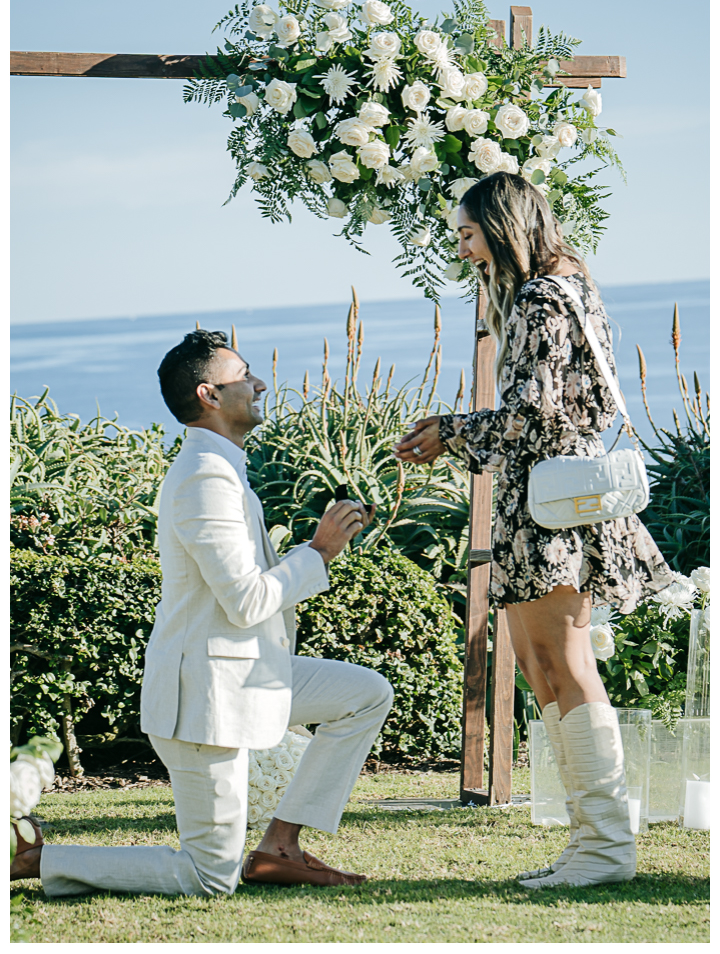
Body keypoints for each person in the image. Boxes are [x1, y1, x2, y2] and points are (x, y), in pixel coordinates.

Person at [12, 330, 393, 896]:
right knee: (209, 877)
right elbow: (245, 602)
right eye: (244, 375)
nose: (260, 383)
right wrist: (317, 552)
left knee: (365, 694)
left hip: (250, 675)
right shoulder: (203, 478)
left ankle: (279, 846)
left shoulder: (224, 469)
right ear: (209, 394)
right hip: (207, 700)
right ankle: (38, 860)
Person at [394, 172, 674, 889]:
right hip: (540, 505)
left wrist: (448, 430)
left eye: (466, 234)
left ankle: (606, 847)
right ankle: (591, 841)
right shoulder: (559, 286)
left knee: (565, 665)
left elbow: (531, 416)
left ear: (501, 224)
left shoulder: (545, 297)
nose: (460, 251)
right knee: (544, 668)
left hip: (551, 511)